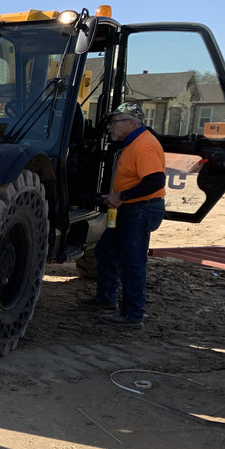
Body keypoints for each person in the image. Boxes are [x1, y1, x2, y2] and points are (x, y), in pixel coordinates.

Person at [81, 102, 166, 327]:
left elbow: (155, 181)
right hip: (131, 208)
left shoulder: (143, 145)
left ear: (131, 122)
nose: (110, 127)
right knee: (106, 251)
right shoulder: (132, 143)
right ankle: (106, 299)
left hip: (141, 209)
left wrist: (121, 197)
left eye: (115, 121)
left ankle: (133, 314)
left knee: (132, 261)